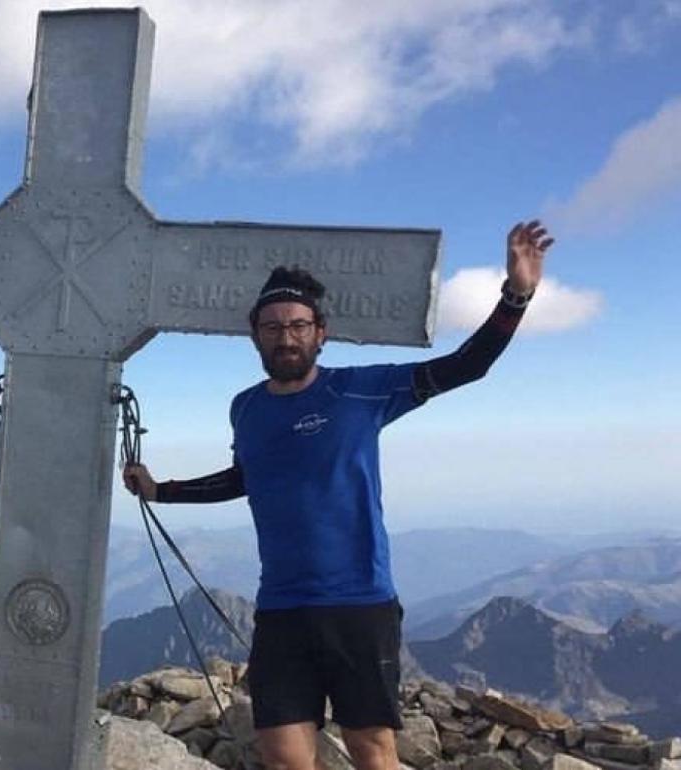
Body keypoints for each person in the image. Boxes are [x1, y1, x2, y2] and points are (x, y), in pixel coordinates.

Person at [122, 222, 554, 770]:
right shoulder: (246, 407)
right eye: (273, 327)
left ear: (320, 332)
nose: (286, 337)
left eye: (299, 325)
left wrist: (516, 294)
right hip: (281, 608)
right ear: (254, 334)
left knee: (373, 753)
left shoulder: (363, 390)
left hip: (359, 604)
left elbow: (467, 365)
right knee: (282, 758)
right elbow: (247, 477)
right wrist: (163, 491)